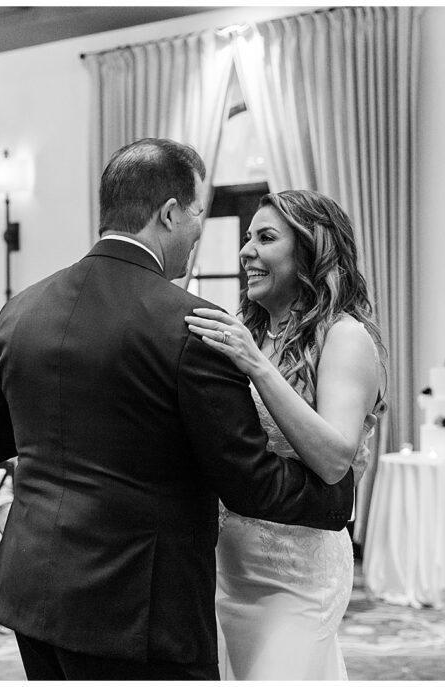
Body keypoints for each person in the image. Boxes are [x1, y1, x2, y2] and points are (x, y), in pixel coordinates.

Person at [0, 137, 355, 680]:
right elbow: (249, 482)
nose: (201, 229)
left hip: (32, 594)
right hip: (138, 608)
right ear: (170, 213)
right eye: (200, 213)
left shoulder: (20, 309)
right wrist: (336, 495)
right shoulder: (192, 325)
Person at [186, 190, 387, 680]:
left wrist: (255, 364)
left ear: (310, 253)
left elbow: (334, 457)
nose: (245, 250)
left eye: (266, 237)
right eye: (248, 237)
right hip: (226, 568)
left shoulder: (345, 337)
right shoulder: (248, 333)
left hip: (298, 573)